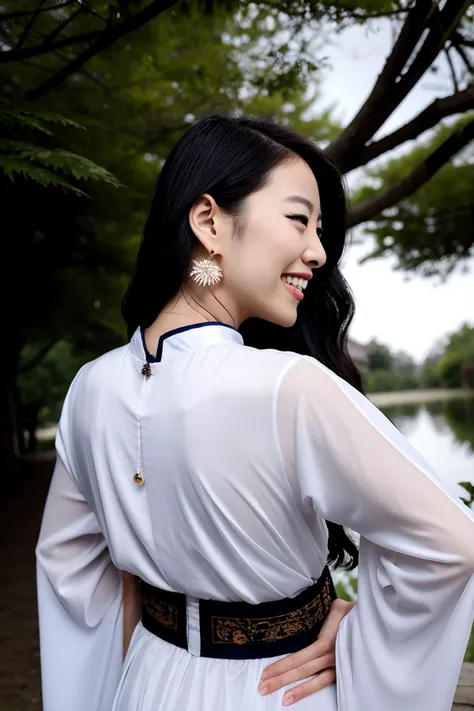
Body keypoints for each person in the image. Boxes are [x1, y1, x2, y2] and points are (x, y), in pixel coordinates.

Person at [36, 115, 474, 711]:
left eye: (319, 229)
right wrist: (367, 634)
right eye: (300, 219)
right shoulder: (287, 388)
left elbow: (72, 573)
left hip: (147, 683)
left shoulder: (90, 387)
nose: (318, 251)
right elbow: (451, 543)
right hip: (281, 689)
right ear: (209, 220)